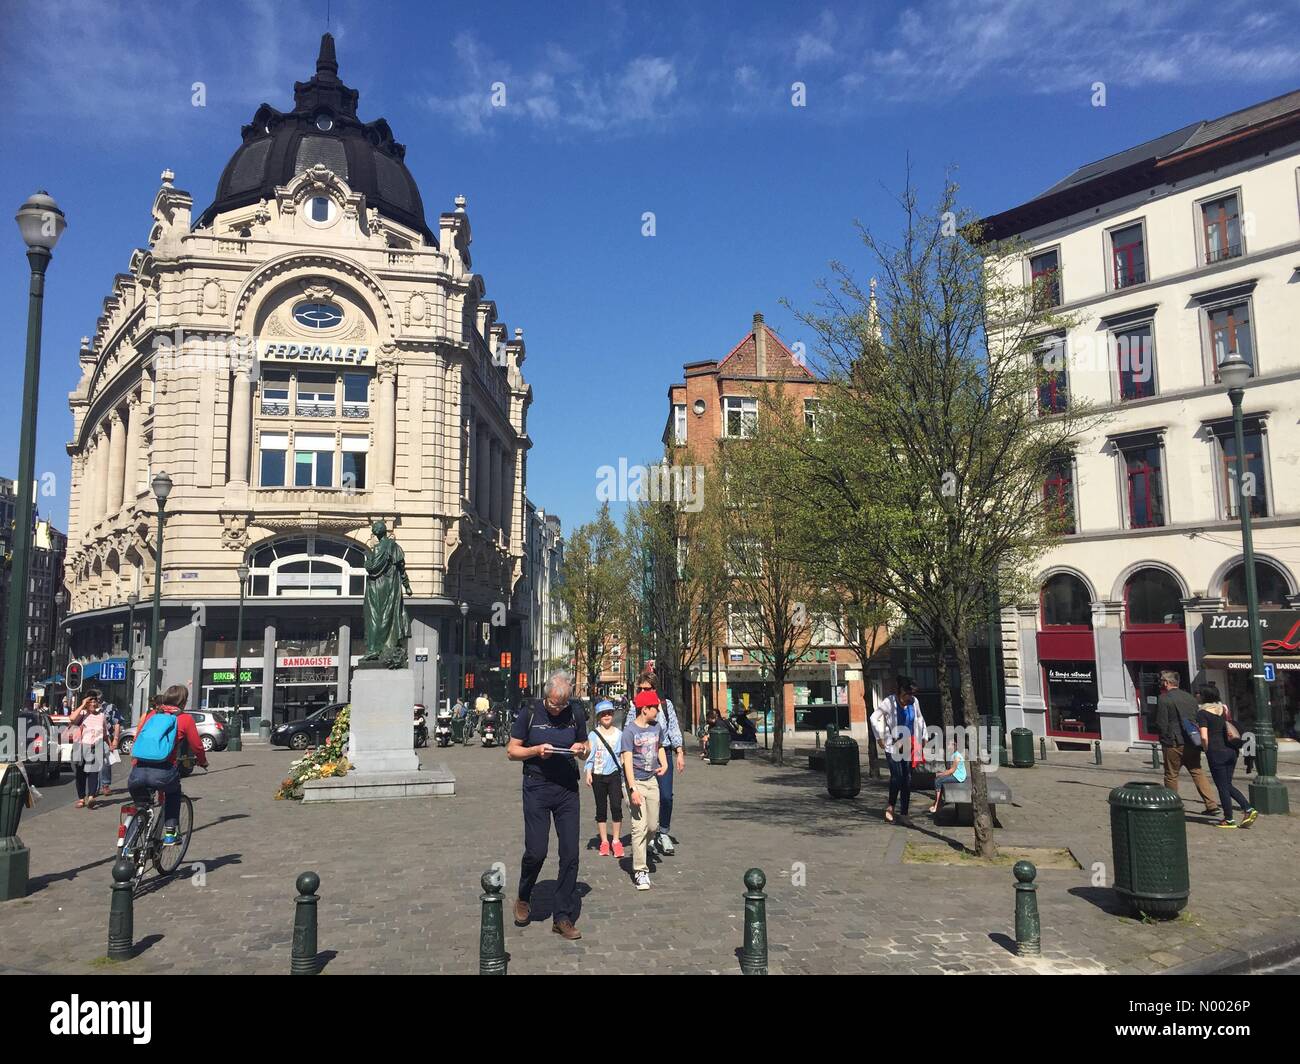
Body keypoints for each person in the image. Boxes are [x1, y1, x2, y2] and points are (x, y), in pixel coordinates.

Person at [507, 671, 589, 940]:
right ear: (546, 697)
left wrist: (582, 749)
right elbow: (512, 751)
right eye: (554, 703)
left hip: (566, 789)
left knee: (570, 854)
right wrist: (535, 750)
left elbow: (586, 744)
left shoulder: (575, 712)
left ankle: (562, 916)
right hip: (537, 786)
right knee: (536, 851)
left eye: (562, 704)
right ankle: (524, 894)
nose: (558, 709)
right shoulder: (530, 712)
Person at [126, 684, 209, 844]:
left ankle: (127, 846)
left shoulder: (152, 715)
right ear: (183, 702)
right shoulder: (185, 719)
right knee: (173, 792)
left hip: (138, 771)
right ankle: (171, 832)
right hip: (163, 772)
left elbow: (139, 737)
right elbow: (197, 746)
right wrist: (202, 761)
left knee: (140, 806)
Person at [1155, 671, 1220, 818]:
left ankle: (1172, 805)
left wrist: (1164, 740)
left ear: (1166, 683)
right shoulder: (1190, 698)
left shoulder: (1164, 699)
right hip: (1191, 740)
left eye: (1162, 681)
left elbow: (1162, 723)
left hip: (1173, 742)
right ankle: (1211, 804)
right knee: (1197, 771)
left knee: (1171, 775)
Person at [634, 670, 685, 854]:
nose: (643, 692)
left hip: (663, 754)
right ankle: (649, 835)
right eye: (640, 689)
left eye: (647, 689)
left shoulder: (666, 705)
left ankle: (663, 831)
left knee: (665, 796)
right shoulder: (635, 706)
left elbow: (673, 728)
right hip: (642, 757)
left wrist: (679, 751)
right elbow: (628, 730)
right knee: (646, 797)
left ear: (655, 689)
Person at [622, 688, 668, 891]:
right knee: (638, 827)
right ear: (644, 709)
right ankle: (640, 870)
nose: (657, 711)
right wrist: (632, 789)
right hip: (636, 783)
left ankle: (642, 848)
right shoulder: (629, 732)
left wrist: (664, 763)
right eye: (655, 708)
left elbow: (660, 747)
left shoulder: (657, 727)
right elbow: (627, 762)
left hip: (652, 781)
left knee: (652, 826)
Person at [1196, 683, 1257, 829]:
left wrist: (1205, 749)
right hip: (1231, 750)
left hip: (1216, 752)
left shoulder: (1202, 713)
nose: (1196, 695)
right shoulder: (1222, 710)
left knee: (1222, 786)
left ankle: (1230, 818)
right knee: (1227, 784)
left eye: (1199, 693)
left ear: (1204, 696)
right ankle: (1247, 809)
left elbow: (1204, 737)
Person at [870, 676, 928, 824]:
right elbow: (873, 717)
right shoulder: (889, 702)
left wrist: (924, 735)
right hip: (893, 745)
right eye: (907, 694)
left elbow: (920, 718)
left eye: (912, 694)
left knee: (907, 779)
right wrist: (879, 737)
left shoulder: (914, 702)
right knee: (897, 777)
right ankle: (890, 807)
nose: (910, 697)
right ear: (900, 691)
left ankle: (904, 813)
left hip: (909, 745)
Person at [583, 700, 625, 858]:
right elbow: (590, 756)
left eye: (609, 713)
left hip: (614, 774)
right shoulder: (593, 735)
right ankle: (604, 841)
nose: (606, 716)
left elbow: (623, 755)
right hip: (598, 775)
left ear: (613, 715)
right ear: (599, 717)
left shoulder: (619, 734)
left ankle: (616, 840)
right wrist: (588, 772)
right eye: (603, 714)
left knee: (616, 806)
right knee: (601, 808)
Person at [69, 690, 107, 809]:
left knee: (93, 773)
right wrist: (82, 704)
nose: (93, 703)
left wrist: (111, 743)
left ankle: (91, 797)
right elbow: (71, 718)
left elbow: (104, 732)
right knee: (80, 774)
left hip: (96, 747)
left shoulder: (101, 715)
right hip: (81, 747)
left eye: (95, 701)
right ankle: (81, 798)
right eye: (90, 701)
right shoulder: (83, 713)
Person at [929, 736, 968, 815]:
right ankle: (938, 802)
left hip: (958, 777)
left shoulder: (956, 756)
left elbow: (951, 770)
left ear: (954, 746)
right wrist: (942, 774)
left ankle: (937, 804)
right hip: (955, 775)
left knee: (938, 780)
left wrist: (941, 774)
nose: (948, 746)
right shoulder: (953, 754)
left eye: (949, 745)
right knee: (939, 780)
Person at [99, 698, 125, 796]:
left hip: (106, 739)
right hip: (91, 738)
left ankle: (105, 785)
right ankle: (94, 789)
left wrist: (116, 739)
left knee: (106, 762)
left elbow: (117, 723)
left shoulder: (110, 707)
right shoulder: (87, 708)